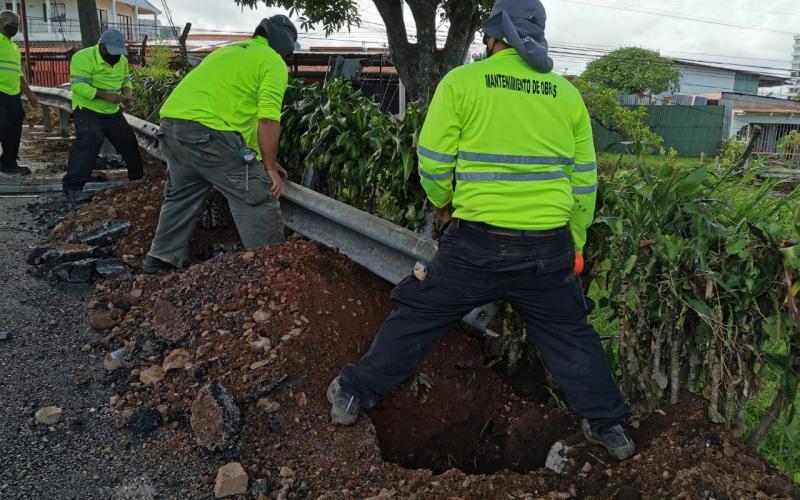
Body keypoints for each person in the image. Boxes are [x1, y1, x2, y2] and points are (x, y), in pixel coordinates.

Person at [328, 0, 636, 461]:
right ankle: (611, 428)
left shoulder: (464, 82)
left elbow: (432, 160)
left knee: (419, 313)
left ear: (493, 38)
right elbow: (584, 180)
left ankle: (353, 393)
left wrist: (443, 203)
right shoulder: (566, 95)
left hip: (476, 245)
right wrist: (576, 241)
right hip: (548, 249)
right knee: (571, 335)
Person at [143, 15, 298, 273]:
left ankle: (160, 259)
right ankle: (271, 272)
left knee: (181, 195)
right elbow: (268, 119)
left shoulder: (226, 52)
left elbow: (235, 115)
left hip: (172, 128)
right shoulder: (272, 61)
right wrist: (268, 169)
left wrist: (263, 158)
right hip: (209, 134)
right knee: (257, 193)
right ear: (285, 47)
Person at [64, 29, 143, 203]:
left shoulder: (121, 60)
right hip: (88, 110)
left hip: (112, 112)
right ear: (102, 47)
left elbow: (125, 80)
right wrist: (107, 96)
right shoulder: (83, 57)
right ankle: (72, 188)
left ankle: (138, 181)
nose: (116, 57)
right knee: (88, 146)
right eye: (112, 52)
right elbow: (78, 87)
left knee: (129, 144)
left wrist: (127, 93)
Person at [0, 10, 38, 176]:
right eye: (12, 24)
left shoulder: (14, 47)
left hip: (13, 93)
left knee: (14, 127)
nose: (15, 27)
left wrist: (30, 95)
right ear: (1, 22)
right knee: (2, 126)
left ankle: (9, 163)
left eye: (17, 25)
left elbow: (18, 73)